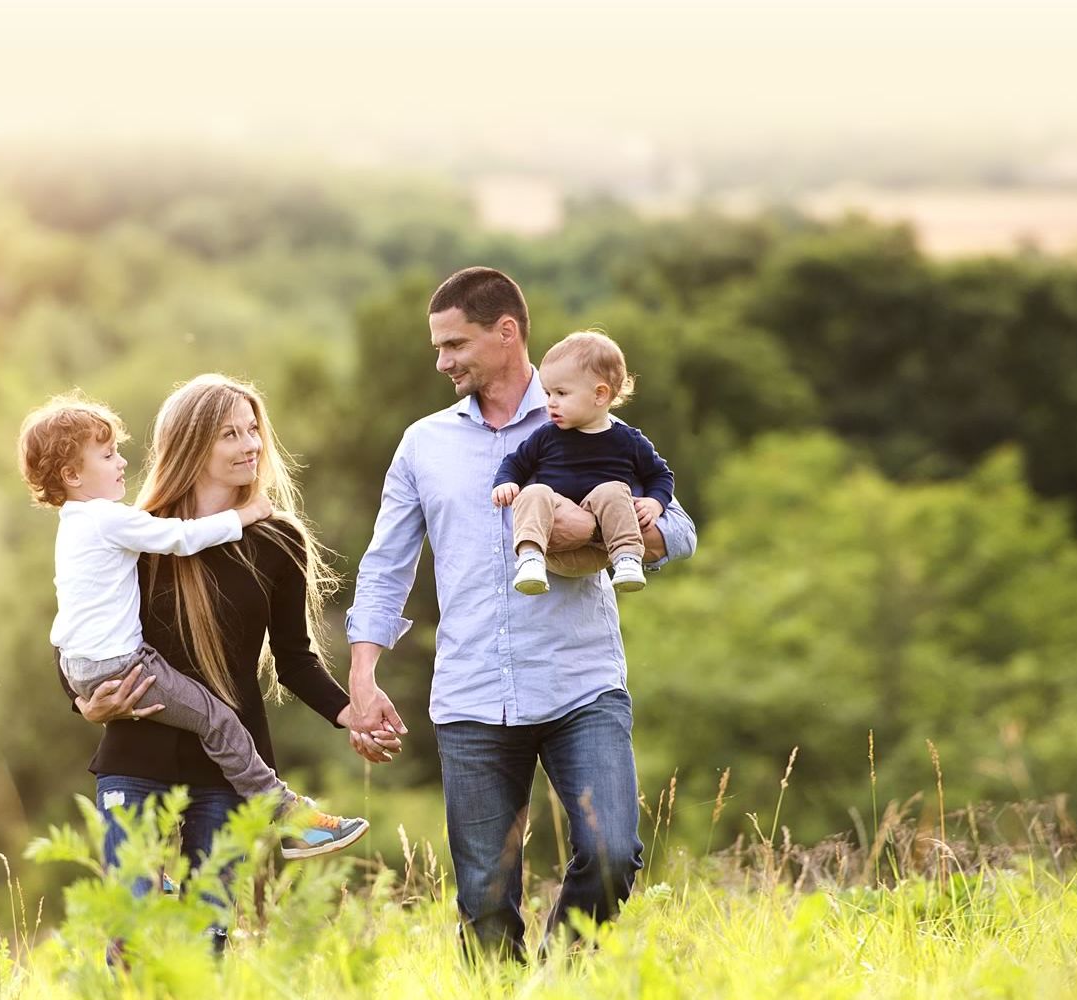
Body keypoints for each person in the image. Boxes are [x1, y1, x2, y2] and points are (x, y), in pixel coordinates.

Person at [345, 267, 697, 960]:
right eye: (438, 347)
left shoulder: (598, 425)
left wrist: (608, 533)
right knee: (484, 898)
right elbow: (386, 564)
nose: (442, 361)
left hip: (581, 684)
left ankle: (555, 979)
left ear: (506, 333)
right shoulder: (424, 444)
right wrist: (363, 676)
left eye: (454, 344)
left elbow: (680, 530)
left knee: (611, 853)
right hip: (473, 694)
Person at [57, 375, 400, 922]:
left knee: (207, 937)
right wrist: (84, 703)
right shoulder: (139, 533)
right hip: (135, 756)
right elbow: (78, 627)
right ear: (192, 444)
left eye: (252, 431)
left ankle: (288, 816)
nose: (250, 445)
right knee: (131, 932)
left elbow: (294, 659)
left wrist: (351, 712)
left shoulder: (278, 539)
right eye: (229, 434)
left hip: (228, 770)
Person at [491, 330, 675, 596]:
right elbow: (515, 463)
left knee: (613, 490)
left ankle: (628, 559)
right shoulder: (547, 435)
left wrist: (655, 502)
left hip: (604, 551)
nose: (550, 403)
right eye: (547, 393)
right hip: (554, 547)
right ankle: (529, 558)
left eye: (561, 393)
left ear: (600, 395)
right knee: (535, 492)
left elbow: (660, 475)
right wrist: (506, 482)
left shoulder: (628, 440)